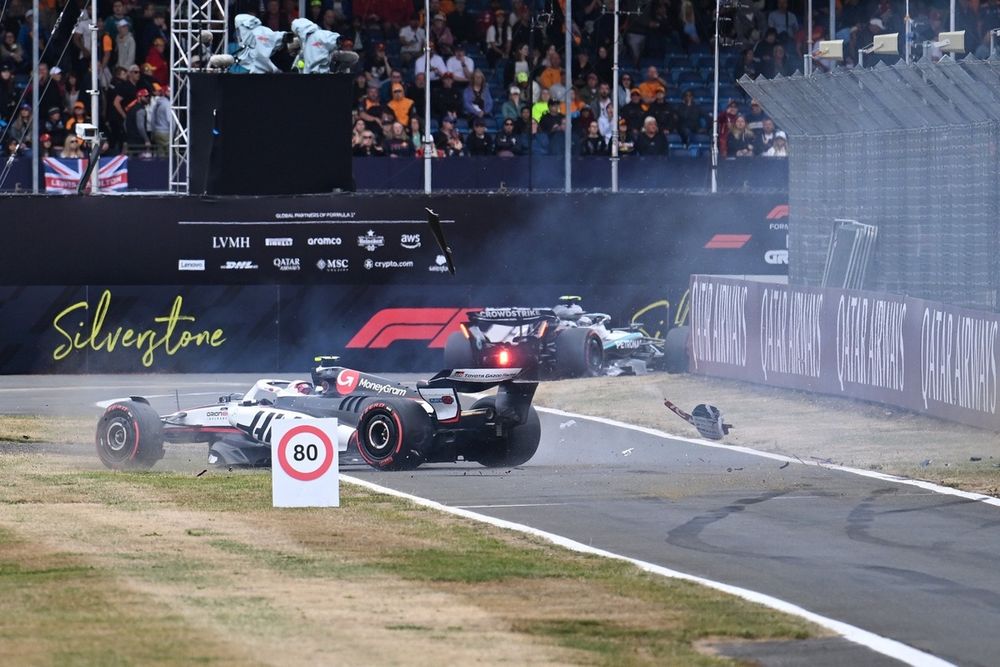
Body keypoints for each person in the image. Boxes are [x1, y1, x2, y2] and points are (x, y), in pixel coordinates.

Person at [124, 88, 152, 155]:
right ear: (139, 97)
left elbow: (124, 123)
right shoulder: (140, 110)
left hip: (130, 140)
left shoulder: (131, 108)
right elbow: (140, 127)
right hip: (138, 142)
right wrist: (147, 140)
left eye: (148, 96)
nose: (147, 98)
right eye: (145, 96)